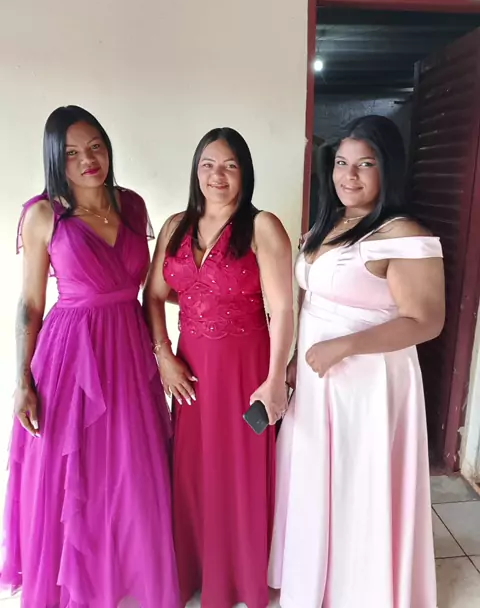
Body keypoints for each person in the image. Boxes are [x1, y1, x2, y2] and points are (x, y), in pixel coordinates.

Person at [0, 106, 180, 608]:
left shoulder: (134, 206)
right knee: (73, 470)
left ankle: (123, 572)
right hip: (69, 355)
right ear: (55, 160)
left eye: (95, 146)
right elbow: (30, 303)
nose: (87, 160)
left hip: (129, 346)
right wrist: (22, 380)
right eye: (72, 153)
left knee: (130, 466)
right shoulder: (43, 215)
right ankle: (74, 582)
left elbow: (153, 288)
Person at [268, 115, 445, 608]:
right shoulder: (329, 223)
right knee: (316, 476)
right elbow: (311, 299)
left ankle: (359, 589)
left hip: (369, 382)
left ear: (388, 168)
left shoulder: (403, 234)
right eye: (341, 163)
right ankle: (314, 579)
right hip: (316, 375)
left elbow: (426, 321)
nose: (349, 176)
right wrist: (292, 361)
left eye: (365, 164)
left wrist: (345, 346)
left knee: (357, 480)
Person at [144, 127, 293, 608]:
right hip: (190, 371)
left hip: (246, 370)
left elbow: (283, 309)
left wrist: (275, 379)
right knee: (194, 472)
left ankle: (241, 579)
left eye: (230, 165)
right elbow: (154, 295)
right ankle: (196, 569)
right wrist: (164, 355)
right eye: (208, 164)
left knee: (240, 475)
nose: (217, 175)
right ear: (196, 170)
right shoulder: (175, 226)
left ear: (245, 172)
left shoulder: (263, 226)